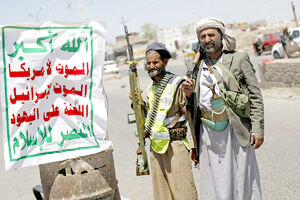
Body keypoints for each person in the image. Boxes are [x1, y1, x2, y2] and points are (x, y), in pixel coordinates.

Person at [182, 18, 264, 200]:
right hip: (208, 133)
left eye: (211, 34)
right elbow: (191, 106)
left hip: (235, 129)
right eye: (202, 36)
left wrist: (257, 128)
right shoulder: (194, 65)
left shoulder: (238, 58)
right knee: (215, 182)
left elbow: (255, 95)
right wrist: (188, 95)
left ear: (221, 36)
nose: (206, 39)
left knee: (242, 179)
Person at [142, 42, 198, 200]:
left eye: (155, 62)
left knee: (184, 193)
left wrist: (194, 147)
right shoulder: (150, 88)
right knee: (162, 195)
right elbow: (150, 118)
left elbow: (190, 115)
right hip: (156, 148)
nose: (151, 66)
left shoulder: (178, 84)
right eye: (148, 63)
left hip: (175, 146)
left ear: (165, 62)